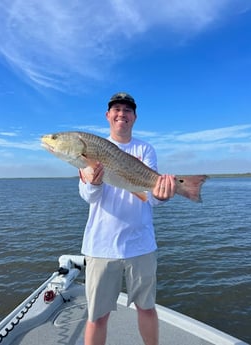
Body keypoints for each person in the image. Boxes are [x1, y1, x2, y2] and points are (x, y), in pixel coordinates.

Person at [79, 92, 176, 345]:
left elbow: (151, 197)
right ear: (108, 115)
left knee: (147, 308)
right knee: (97, 316)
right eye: (117, 109)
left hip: (141, 244)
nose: (122, 113)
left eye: (128, 110)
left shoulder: (145, 149)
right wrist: (95, 183)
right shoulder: (90, 149)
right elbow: (88, 196)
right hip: (101, 246)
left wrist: (163, 196)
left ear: (134, 117)